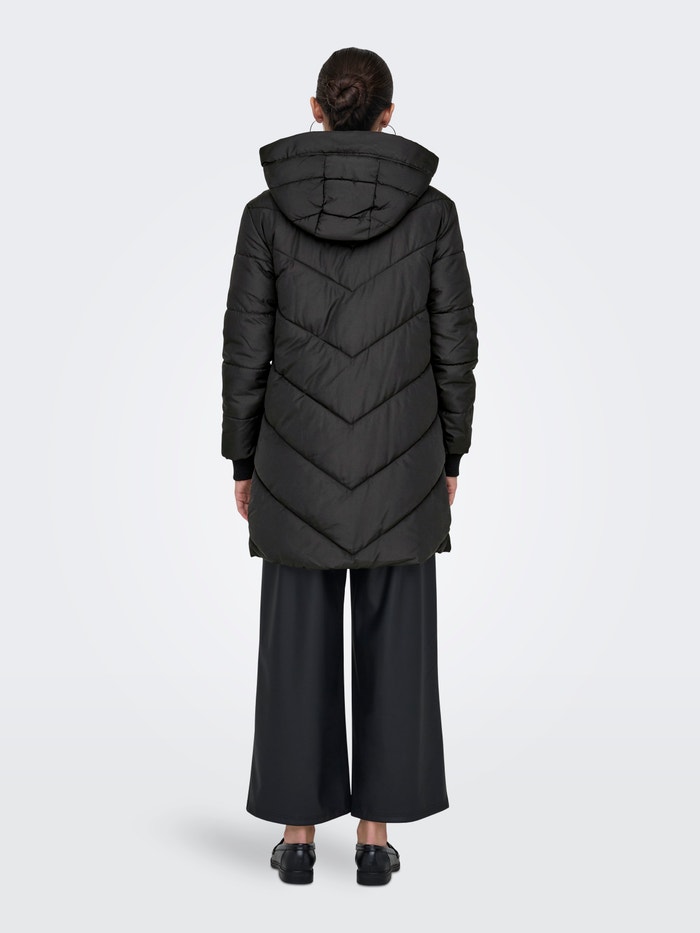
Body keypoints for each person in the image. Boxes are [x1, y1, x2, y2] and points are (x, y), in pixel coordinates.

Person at [220, 47, 478, 885]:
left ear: (316, 110)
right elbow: (455, 347)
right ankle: (373, 839)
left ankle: (298, 837)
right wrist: (450, 453)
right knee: (396, 644)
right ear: (389, 115)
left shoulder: (266, 215)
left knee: (295, 645)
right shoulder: (432, 214)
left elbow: (245, 349)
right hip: (403, 460)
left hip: (295, 463)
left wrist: (243, 457)